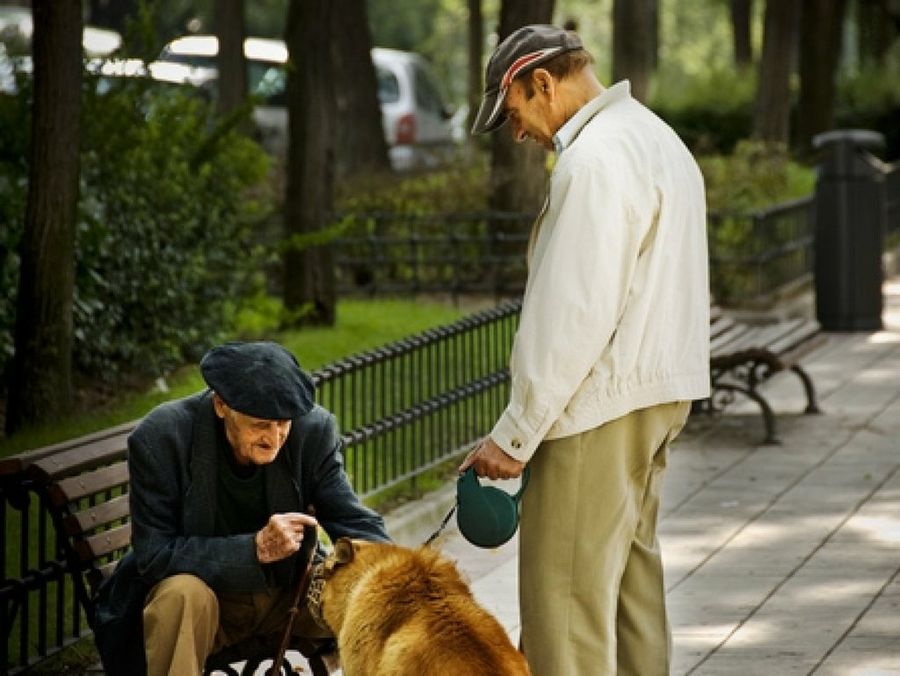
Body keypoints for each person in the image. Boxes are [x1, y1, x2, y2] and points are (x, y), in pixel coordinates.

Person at [460, 24, 710, 676]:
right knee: (631, 598)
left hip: (596, 410)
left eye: (514, 113)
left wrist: (513, 437)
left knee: (564, 613)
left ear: (542, 82)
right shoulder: (656, 138)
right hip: (657, 395)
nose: (518, 134)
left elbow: (572, 315)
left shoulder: (594, 159)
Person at [94, 340, 389, 676]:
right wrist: (254, 550)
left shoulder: (312, 429)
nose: (275, 438)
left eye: (283, 424)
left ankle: (329, 661)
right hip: (207, 606)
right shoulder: (163, 436)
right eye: (261, 425)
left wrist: (401, 575)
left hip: (285, 596)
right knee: (182, 593)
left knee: (375, 593)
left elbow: (350, 519)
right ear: (222, 405)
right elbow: (154, 555)